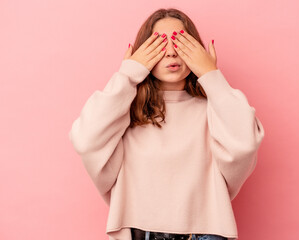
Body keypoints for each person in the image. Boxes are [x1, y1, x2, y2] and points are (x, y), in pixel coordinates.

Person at [69, 7, 265, 240]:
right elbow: (86, 140)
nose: (171, 53)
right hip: (141, 233)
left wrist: (210, 74)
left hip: (205, 233)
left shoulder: (215, 110)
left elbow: (246, 143)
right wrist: (128, 74)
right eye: (160, 45)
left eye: (180, 43)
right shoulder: (125, 113)